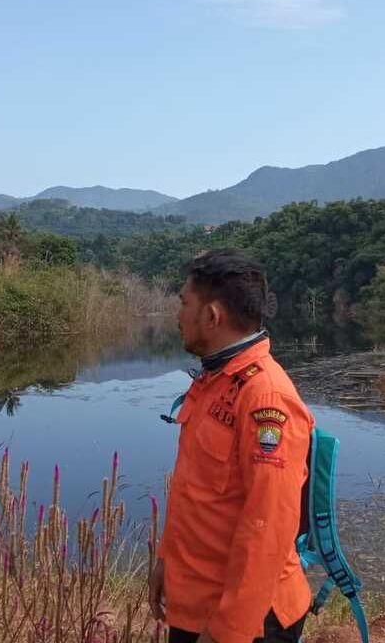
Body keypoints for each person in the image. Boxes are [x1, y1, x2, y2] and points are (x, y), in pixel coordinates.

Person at [149, 249, 314, 643]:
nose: (178, 316)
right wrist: (166, 560)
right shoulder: (216, 381)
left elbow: (268, 526)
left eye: (184, 304)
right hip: (199, 602)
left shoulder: (266, 398)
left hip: (248, 620)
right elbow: (196, 491)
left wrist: (230, 630)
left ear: (212, 316)